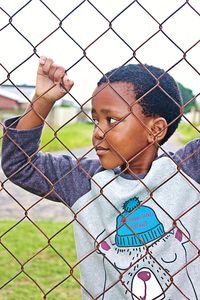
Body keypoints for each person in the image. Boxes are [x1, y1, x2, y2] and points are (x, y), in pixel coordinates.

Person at [1, 56, 200, 299]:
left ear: (155, 129)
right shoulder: (84, 182)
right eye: (95, 120)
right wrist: (42, 101)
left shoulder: (189, 171)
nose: (97, 132)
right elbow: (20, 164)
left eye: (112, 120)